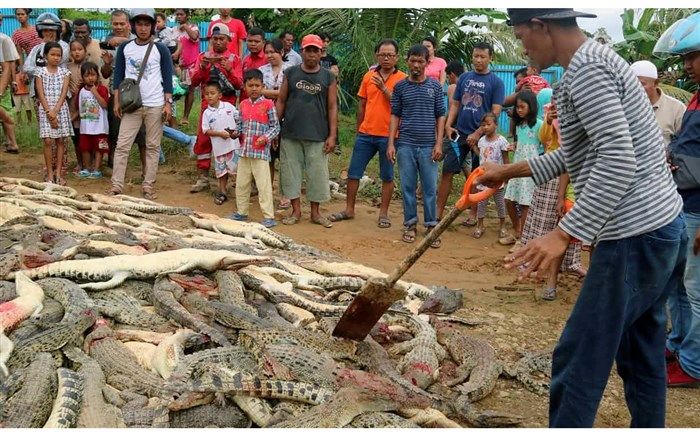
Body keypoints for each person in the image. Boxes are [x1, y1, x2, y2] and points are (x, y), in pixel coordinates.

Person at [478, 9, 686, 427]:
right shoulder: (597, 61)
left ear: (542, 26)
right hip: (662, 228)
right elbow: (581, 152)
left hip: (634, 235)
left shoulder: (587, 71)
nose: (522, 48)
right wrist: (508, 171)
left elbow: (617, 159)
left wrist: (564, 233)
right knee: (641, 352)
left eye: (522, 37)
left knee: (578, 360)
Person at [654, 11, 700, 387]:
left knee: (697, 291)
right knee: (678, 285)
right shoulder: (697, 99)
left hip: (699, 212)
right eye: (685, 58)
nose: (687, 65)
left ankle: (694, 366)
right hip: (683, 204)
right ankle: (677, 343)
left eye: (693, 56)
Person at [327, 38, 406, 228]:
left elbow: (402, 105)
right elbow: (361, 104)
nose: (386, 58)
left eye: (390, 55)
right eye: (382, 54)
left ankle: (384, 214)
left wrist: (384, 89)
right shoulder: (368, 76)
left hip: (389, 136)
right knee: (354, 173)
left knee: (387, 176)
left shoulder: (403, 79)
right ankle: (349, 209)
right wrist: (359, 128)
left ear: (397, 57)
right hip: (366, 133)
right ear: (376, 56)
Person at [518, 90, 586, 301]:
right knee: (550, 225)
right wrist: (549, 122)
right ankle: (545, 275)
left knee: (566, 229)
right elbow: (548, 143)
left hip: (576, 181)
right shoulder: (552, 118)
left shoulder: (584, 120)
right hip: (555, 175)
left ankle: (557, 275)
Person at [108, 8, 173, 200]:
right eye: (139, 24)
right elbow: (119, 76)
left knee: (153, 146)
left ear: (152, 26)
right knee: (122, 145)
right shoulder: (126, 48)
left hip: (155, 104)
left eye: (147, 24)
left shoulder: (160, 49)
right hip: (132, 104)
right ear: (133, 26)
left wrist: (167, 103)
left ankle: (148, 185)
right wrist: (117, 101)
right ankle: (117, 185)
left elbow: (168, 78)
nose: (143, 28)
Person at [387, 44, 446, 247]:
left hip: (429, 145)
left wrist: (439, 143)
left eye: (420, 61)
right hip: (405, 145)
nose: (416, 65)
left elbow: (441, 115)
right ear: (407, 61)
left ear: (427, 63)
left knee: (430, 188)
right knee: (407, 187)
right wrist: (391, 143)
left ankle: (431, 226)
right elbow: (395, 115)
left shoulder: (435, 87)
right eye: (413, 60)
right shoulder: (400, 87)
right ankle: (410, 224)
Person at [276, 34, 337, 227]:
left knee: (317, 175)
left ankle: (316, 214)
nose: (311, 54)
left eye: (315, 50)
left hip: (318, 134)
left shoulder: (328, 76)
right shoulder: (291, 73)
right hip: (291, 132)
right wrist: (275, 128)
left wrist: (332, 135)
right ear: (301, 51)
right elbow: (282, 100)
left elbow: (332, 107)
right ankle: (295, 211)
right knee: (291, 173)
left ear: (321, 53)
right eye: (308, 50)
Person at [441, 42, 504, 227]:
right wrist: (448, 125)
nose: (478, 60)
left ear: (490, 58)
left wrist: (478, 132)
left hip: (483, 140)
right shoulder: (465, 78)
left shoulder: (496, 83)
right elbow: (455, 104)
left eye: (482, 57)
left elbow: (496, 112)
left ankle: (474, 215)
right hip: (459, 135)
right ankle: (438, 215)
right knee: (447, 172)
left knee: (478, 177)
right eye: (475, 56)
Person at [189, 23, 243, 194]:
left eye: (222, 39)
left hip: (227, 107)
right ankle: (203, 178)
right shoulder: (202, 57)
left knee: (230, 140)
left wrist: (229, 70)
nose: (218, 42)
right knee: (204, 140)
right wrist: (203, 68)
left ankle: (234, 178)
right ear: (211, 40)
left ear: (229, 40)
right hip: (207, 107)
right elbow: (194, 81)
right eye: (215, 39)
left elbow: (240, 84)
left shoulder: (234, 59)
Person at [231, 69, 280, 228]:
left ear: (262, 86)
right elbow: (239, 126)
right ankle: (242, 212)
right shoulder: (243, 104)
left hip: (260, 153)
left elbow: (275, 127)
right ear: (245, 86)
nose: (254, 88)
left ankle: (269, 216)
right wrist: (234, 133)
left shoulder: (268, 104)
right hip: (244, 151)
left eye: (257, 85)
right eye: (250, 85)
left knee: (263, 185)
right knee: (241, 184)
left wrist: (265, 138)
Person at [100, 10, 147, 170]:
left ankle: (145, 169)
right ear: (111, 24)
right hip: (117, 92)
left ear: (128, 24)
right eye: (115, 23)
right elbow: (105, 74)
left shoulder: (139, 38)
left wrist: (124, 41)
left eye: (122, 23)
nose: (118, 27)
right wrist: (107, 63)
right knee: (115, 132)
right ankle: (113, 166)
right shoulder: (107, 41)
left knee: (142, 135)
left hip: (138, 93)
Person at [502, 90, 542, 248]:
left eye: (522, 107)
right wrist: (514, 146)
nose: (519, 110)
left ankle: (523, 240)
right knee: (509, 199)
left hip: (530, 169)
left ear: (531, 107)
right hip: (517, 166)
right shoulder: (519, 125)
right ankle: (518, 231)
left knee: (525, 203)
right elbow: (521, 144)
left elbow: (543, 146)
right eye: (517, 107)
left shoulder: (539, 125)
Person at [36, 41, 73, 185]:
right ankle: (49, 174)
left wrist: (55, 111)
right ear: (45, 55)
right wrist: (49, 112)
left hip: (61, 108)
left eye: (59, 55)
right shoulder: (40, 72)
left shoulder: (65, 72)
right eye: (53, 54)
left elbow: (64, 93)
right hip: (46, 109)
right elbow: (41, 94)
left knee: (60, 141)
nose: (56, 57)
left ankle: (58, 173)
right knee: (47, 140)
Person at [200, 81, 241, 206]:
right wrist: (220, 134)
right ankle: (222, 191)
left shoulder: (228, 106)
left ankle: (241, 194)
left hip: (233, 146)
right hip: (218, 148)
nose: (209, 96)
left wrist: (236, 131)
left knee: (237, 171)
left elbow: (239, 118)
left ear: (220, 95)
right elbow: (206, 131)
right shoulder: (206, 113)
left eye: (212, 93)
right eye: (207, 94)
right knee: (221, 172)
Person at [630, 60, 686, 147]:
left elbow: (685, 142)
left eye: (641, 84)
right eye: (632, 83)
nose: (636, 88)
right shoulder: (624, 107)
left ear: (656, 83)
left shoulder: (676, 108)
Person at [473, 113, 509, 240]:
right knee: (481, 203)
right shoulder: (481, 141)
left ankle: (503, 225)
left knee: (500, 203)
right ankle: (480, 225)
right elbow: (481, 156)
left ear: (496, 125)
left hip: (497, 179)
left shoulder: (502, 141)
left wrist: (506, 175)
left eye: (488, 124)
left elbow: (506, 159)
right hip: (483, 179)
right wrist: (473, 148)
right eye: (483, 125)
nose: (486, 127)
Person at [23, 12, 70, 98]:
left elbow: (53, 62)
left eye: (51, 30)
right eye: (45, 30)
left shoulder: (64, 46)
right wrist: (44, 70)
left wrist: (38, 71)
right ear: (40, 32)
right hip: (38, 92)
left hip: (59, 90)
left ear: (57, 31)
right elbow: (26, 67)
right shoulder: (36, 48)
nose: (48, 33)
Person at [76, 62, 109, 179]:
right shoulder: (81, 91)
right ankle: (87, 168)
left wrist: (95, 93)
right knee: (85, 148)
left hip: (99, 127)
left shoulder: (102, 89)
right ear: (82, 77)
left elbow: (105, 105)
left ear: (98, 76)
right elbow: (78, 107)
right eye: (87, 75)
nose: (90, 78)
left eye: (93, 75)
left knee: (99, 148)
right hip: (85, 127)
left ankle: (97, 169)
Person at [171, 9, 200, 125]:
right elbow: (173, 45)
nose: (178, 16)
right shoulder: (173, 30)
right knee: (175, 90)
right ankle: (172, 117)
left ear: (187, 16)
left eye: (181, 14)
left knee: (190, 90)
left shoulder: (193, 27)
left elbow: (194, 37)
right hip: (177, 65)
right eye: (177, 14)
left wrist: (185, 27)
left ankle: (185, 117)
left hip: (191, 65)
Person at [67, 39, 87, 171]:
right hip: (73, 105)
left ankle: (89, 163)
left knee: (88, 136)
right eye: (74, 50)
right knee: (76, 137)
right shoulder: (68, 68)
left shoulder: (89, 66)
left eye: (79, 49)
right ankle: (80, 162)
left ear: (85, 51)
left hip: (87, 106)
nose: (77, 52)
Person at [0, 27, 20, 154]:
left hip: (2, 84)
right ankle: (10, 143)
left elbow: (9, 64)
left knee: (5, 114)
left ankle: (12, 143)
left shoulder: (4, 40)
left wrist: (12, 81)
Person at [240, 27, 267, 101]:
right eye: (250, 41)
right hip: (245, 102)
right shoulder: (245, 60)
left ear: (263, 43)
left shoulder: (268, 60)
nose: (253, 44)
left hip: (263, 103)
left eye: (256, 41)